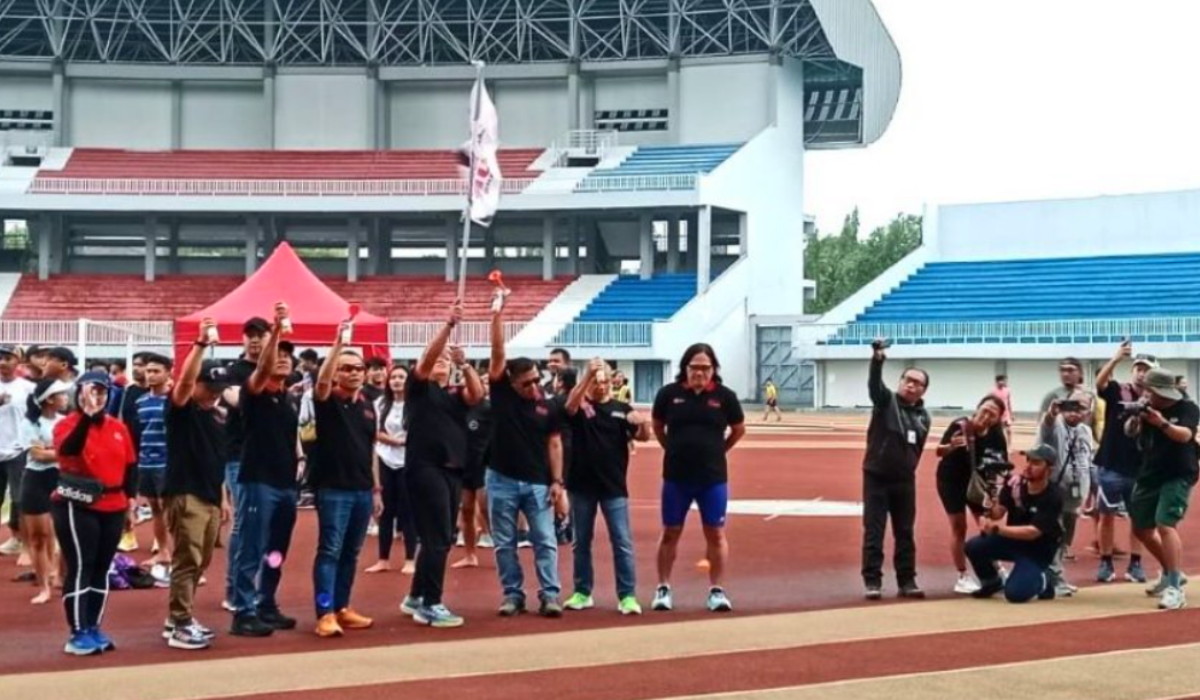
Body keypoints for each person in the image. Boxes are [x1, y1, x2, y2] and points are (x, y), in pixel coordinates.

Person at [399, 302, 483, 628]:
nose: (442, 365)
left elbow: (476, 396)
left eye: (447, 362)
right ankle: (431, 604)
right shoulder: (419, 389)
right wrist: (447, 328)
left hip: (452, 471)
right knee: (437, 538)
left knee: (442, 536)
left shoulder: (453, 397)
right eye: (440, 361)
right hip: (425, 468)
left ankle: (417, 595)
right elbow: (425, 362)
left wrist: (465, 365)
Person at [487, 290, 567, 618]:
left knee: (545, 540)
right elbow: (497, 352)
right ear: (511, 381)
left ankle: (549, 594)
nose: (533, 386)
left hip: (537, 482)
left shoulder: (546, 406)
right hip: (501, 479)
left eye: (537, 380)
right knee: (504, 543)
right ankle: (512, 594)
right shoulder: (502, 393)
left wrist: (557, 482)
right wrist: (497, 313)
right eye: (526, 383)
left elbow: (554, 443)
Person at [650, 343, 746, 613]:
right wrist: (671, 447)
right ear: (685, 368)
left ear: (713, 370)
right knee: (670, 531)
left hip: (712, 478)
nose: (700, 373)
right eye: (695, 368)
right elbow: (657, 426)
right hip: (676, 477)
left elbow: (739, 429)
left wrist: (720, 450)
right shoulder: (669, 394)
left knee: (715, 533)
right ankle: (663, 587)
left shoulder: (725, 397)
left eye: (705, 368)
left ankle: (716, 590)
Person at [229, 306, 302, 637]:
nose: (284, 359)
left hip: (286, 483)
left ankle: (266, 602)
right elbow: (260, 373)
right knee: (252, 545)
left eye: (289, 355)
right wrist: (276, 332)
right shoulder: (253, 391)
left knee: (276, 549)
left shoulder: (288, 398)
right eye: (279, 354)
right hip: (258, 480)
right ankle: (243, 609)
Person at [52, 372, 137, 656]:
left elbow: (130, 467)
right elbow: (68, 449)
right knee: (81, 565)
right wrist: (87, 416)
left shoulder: (118, 427)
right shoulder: (67, 424)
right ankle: (77, 632)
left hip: (114, 503)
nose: (96, 398)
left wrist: (131, 501)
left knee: (102, 567)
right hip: (78, 503)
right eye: (90, 392)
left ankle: (93, 626)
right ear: (79, 393)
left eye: (102, 393)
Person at [162, 320, 233, 650]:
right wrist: (200, 346)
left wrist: (223, 498)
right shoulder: (182, 409)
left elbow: (216, 462)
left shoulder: (218, 417)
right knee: (187, 559)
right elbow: (185, 382)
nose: (215, 392)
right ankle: (180, 622)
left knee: (201, 561)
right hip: (185, 492)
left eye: (219, 387)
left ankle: (178, 617)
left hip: (210, 495)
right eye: (209, 386)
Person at [310, 324, 382, 637]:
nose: (355, 373)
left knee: (351, 553)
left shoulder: (367, 407)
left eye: (359, 368)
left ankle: (342, 606)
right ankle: (324, 612)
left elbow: (371, 450)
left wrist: (376, 489)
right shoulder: (327, 401)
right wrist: (338, 344)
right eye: (347, 368)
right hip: (333, 489)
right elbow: (323, 381)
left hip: (362, 490)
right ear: (337, 372)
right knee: (329, 551)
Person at [563, 358, 651, 615]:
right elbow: (569, 406)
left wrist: (641, 422)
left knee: (622, 542)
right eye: (595, 381)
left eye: (604, 381)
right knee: (581, 542)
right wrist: (587, 375)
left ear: (612, 382)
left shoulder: (621, 409)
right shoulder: (580, 406)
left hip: (613, 487)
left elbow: (643, 437)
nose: (600, 386)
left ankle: (627, 595)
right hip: (581, 486)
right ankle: (582, 591)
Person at [861, 339, 931, 600]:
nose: (911, 385)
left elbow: (918, 448)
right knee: (874, 529)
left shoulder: (924, 417)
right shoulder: (885, 401)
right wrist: (877, 360)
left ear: (924, 390)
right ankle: (872, 580)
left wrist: (908, 468)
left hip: (904, 480)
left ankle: (907, 580)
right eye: (907, 380)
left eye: (918, 383)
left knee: (905, 532)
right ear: (900, 381)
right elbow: (875, 387)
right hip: (876, 476)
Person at [1125, 368, 1198, 610]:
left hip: (1178, 474)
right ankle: (1169, 570)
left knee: (1165, 524)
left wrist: (1161, 422)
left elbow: (1185, 435)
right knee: (1142, 528)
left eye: (1149, 390)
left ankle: (1175, 588)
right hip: (1150, 473)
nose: (1146, 394)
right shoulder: (1145, 407)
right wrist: (1137, 419)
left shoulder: (1187, 408)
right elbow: (1130, 433)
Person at [965, 444, 1063, 603]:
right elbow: (998, 513)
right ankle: (992, 582)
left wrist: (997, 529)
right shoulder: (1015, 485)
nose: (1029, 466)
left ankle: (1044, 580)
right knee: (973, 546)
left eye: (1036, 463)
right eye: (1029, 461)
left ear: (1049, 469)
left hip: (1038, 549)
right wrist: (989, 501)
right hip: (1013, 541)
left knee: (1015, 595)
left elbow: (1033, 532)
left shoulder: (1053, 496)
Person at [934, 395, 1008, 595]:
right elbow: (938, 451)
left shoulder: (997, 435)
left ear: (998, 419)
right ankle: (962, 575)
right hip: (951, 480)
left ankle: (998, 568)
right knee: (959, 526)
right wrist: (951, 446)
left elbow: (1002, 465)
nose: (987, 416)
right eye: (985, 410)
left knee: (986, 525)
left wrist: (993, 493)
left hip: (978, 483)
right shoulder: (960, 425)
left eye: (993, 414)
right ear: (977, 409)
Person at [1094, 341, 1153, 584]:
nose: (1141, 372)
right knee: (1106, 514)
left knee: (1138, 517)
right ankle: (1105, 561)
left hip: (1140, 467)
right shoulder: (1119, 390)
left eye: (1147, 369)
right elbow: (1100, 385)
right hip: (1111, 463)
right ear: (1132, 371)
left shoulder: (1157, 400)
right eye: (1138, 368)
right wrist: (1116, 358)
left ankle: (1135, 563)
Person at [220, 317, 268, 612]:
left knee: (263, 525)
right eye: (249, 335)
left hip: (271, 457)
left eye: (260, 335)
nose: (254, 340)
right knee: (244, 523)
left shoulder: (279, 370)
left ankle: (253, 587)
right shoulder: (232, 371)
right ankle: (235, 587)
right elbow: (237, 401)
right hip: (239, 455)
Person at [20, 378, 71, 604]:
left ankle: (61, 577)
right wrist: (63, 452)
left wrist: (52, 451)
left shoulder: (67, 421)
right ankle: (44, 587)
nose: (66, 398)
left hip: (61, 477)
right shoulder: (30, 422)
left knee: (66, 533)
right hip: (37, 479)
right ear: (49, 399)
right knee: (38, 537)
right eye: (61, 394)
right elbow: (37, 455)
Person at [1038, 396, 1095, 597]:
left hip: (1077, 492)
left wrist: (1092, 491)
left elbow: (1088, 461)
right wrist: (1052, 413)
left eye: (1080, 409)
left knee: (1065, 537)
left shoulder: (1086, 431)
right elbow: (1046, 428)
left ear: (1088, 412)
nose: (1074, 412)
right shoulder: (1057, 426)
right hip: (1056, 490)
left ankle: (1055, 575)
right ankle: (1054, 578)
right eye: (1070, 408)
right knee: (1055, 533)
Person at [366, 364, 418, 576]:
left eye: (402, 377)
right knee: (384, 512)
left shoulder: (415, 404)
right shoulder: (379, 404)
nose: (397, 380)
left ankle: (410, 559)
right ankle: (383, 559)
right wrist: (392, 441)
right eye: (394, 377)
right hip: (386, 458)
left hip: (408, 461)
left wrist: (407, 442)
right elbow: (373, 431)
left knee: (408, 511)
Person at [132, 353, 173, 574]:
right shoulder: (140, 402)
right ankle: (163, 551)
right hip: (146, 462)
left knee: (171, 509)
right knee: (156, 508)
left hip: (167, 462)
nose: (151, 375)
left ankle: (180, 555)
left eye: (156, 371)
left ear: (168, 373)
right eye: (148, 371)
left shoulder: (175, 400)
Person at [454, 372, 494, 568]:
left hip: (484, 465)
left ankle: (503, 551)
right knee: (466, 510)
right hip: (462, 465)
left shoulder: (488, 408)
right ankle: (470, 554)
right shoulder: (457, 408)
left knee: (487, 509)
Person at [0, 345, 36, 559]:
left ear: (18, 361)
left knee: (20, 498)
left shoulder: (28, 388)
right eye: (0, 358)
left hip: (18, 450)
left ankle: (23, 543)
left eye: (7, 358)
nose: (3, 362)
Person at [993, 375, 1014, 444]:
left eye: (1004, 381)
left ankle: (1009, 446)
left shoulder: (1007, 390)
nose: (1003, 382)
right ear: (997, 382)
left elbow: (1009, 403)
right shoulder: (993, 391)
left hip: (1006, 414)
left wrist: (1011, 414)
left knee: (1009, 430)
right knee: (999, 432)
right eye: (1001, 381)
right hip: (998, 414)